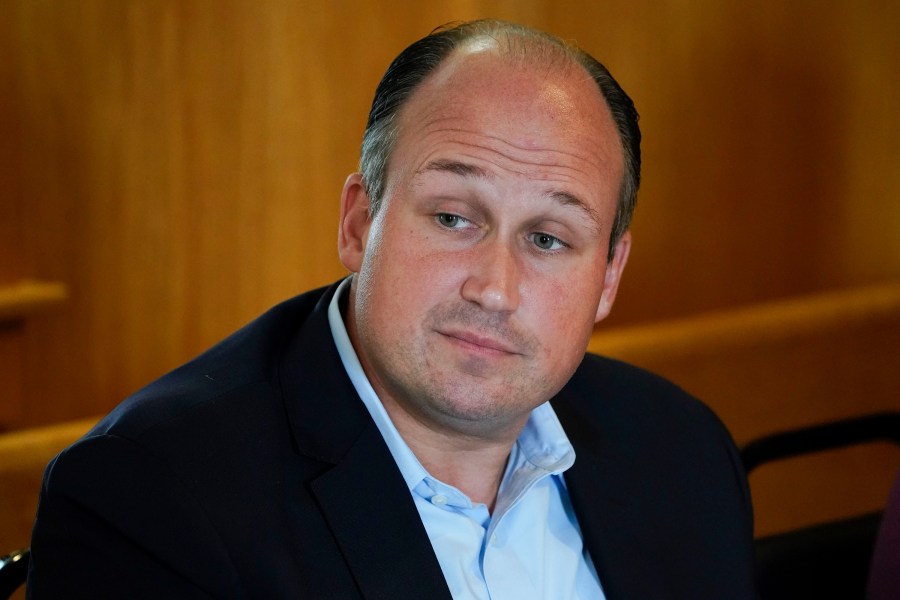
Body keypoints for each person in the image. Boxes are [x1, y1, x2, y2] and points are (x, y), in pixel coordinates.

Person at [28, 19, 756, 599]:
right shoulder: (151, 501)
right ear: (358, 222)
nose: (494, 289)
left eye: (547, 238)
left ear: (607, 276)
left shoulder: (680, 449)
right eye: (451, 218)